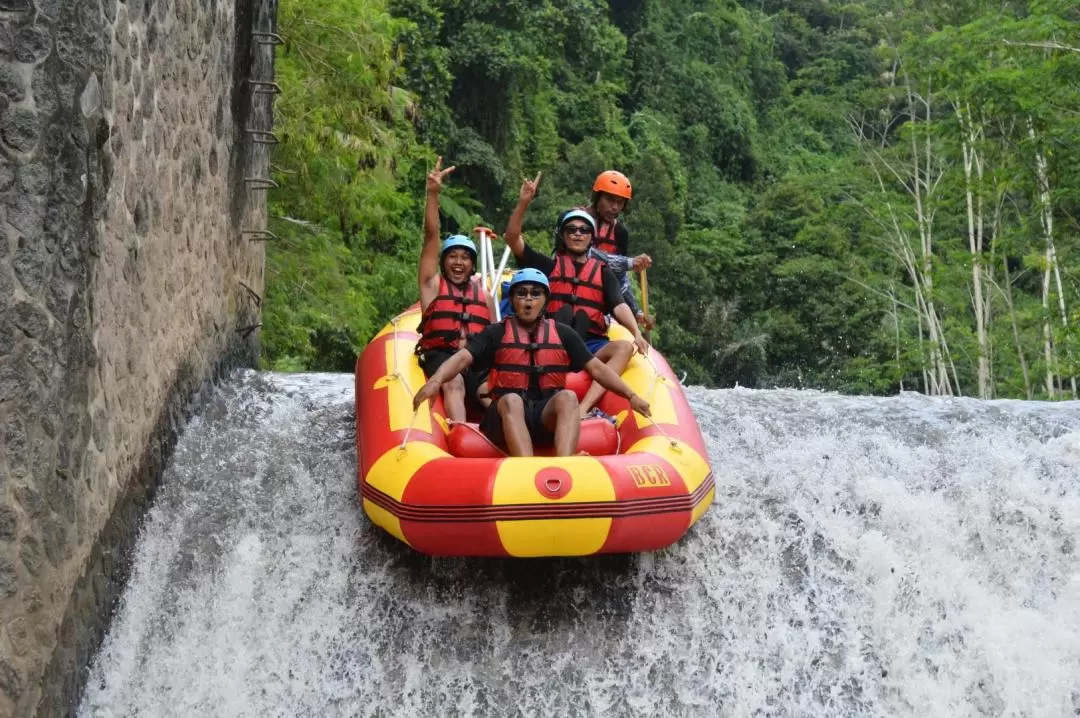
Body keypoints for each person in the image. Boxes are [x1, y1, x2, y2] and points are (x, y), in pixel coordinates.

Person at [413, 269, 650, 456]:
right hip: (504, 415)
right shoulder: (496, 332)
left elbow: (597, 369)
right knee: (512, 400)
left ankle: (565, 467)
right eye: (521, 293)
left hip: (543, 417)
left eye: (535, 294)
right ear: (513, 300)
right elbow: (462, 358)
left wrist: (631, 396)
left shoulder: (563, 333)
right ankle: (527, 470)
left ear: (545, 300)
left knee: (568, 397)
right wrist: (435, 380)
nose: (528, 299)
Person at [503, 173, 650, 417]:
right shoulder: (548, 267)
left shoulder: (602, 273)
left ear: (591, 238)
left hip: (589, 344)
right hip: (551, 341)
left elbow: (618, 304)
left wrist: (636, 331)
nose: (578, 234)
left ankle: (583, 408)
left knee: (624, 348)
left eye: (584, 230)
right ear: (563, 235)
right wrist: (524, 202)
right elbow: (512, 239)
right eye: (571, 229)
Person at [415, 157, 496, 422]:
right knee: (454, 383)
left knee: (492, 394)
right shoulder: (433, 285)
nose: (458, 262)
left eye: (465, 258)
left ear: (472, 265)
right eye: (453, 256)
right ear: (443, 261)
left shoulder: (484, 296)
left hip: (475, 363)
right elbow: (431, 236)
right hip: (443, 356)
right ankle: (460, 432)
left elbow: (495, 338)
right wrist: (434, 193)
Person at [582, 170, 654, 329]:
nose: (614, 207)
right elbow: (586, 254)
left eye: (620, 202)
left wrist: (636, 312)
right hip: (574, 285)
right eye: (609, 200)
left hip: (601, 296)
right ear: (597, 197)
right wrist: (630, 262)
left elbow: (620, 278)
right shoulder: (577, 221)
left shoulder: (620, 233)